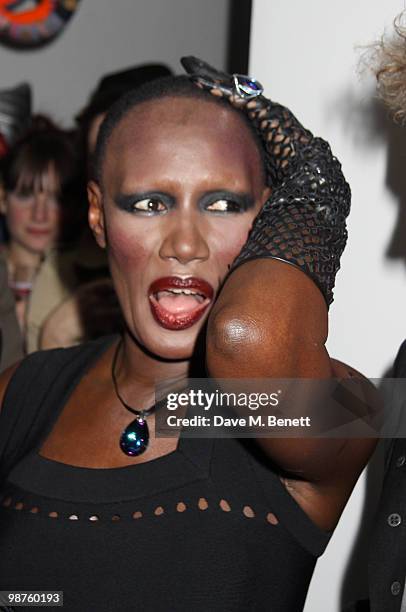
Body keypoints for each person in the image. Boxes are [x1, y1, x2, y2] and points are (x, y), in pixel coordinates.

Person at [0, 57, 377, 611]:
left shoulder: (356, 406)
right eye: (150, 203)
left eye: (223, 204)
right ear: (99, 216)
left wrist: (313, 172)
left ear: (267, 217)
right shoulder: (18, 392)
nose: (185, 243)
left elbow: (246, 339)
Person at [28, 64, 172, 351]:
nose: (113, 176)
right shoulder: (61, 270)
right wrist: (56, 334)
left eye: (132, 153)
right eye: (99, 157)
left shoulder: (212, 254)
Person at [0, 115, 83, 348]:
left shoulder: (92, 282)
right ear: (3, 199)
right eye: (26, 195)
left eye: (56, 199)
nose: (40, 214)